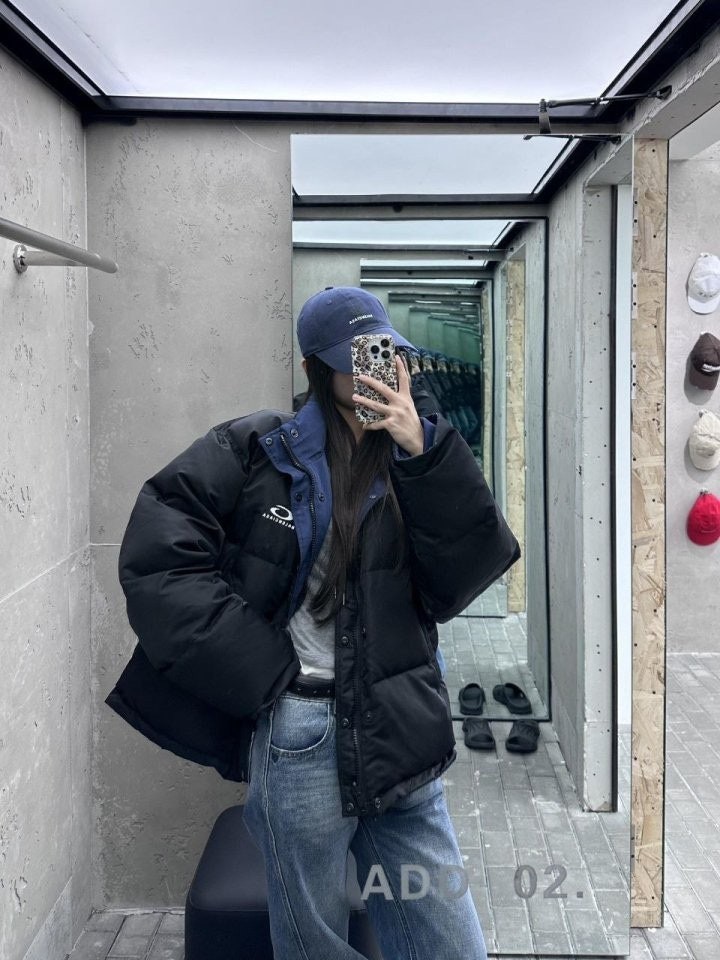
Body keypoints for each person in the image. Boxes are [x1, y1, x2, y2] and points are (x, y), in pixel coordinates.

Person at [107, 286, 521, 960]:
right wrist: (258, 667)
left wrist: (423, 449)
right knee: (314, 945)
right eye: (350, 362)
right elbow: (160, 557)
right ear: (313, 370)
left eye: (380, 355)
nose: (371, 374)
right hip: (301, 735)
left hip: (400, 728)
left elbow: (463, 575)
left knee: (449, 943)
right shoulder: (259, 449)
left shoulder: (419, 453)